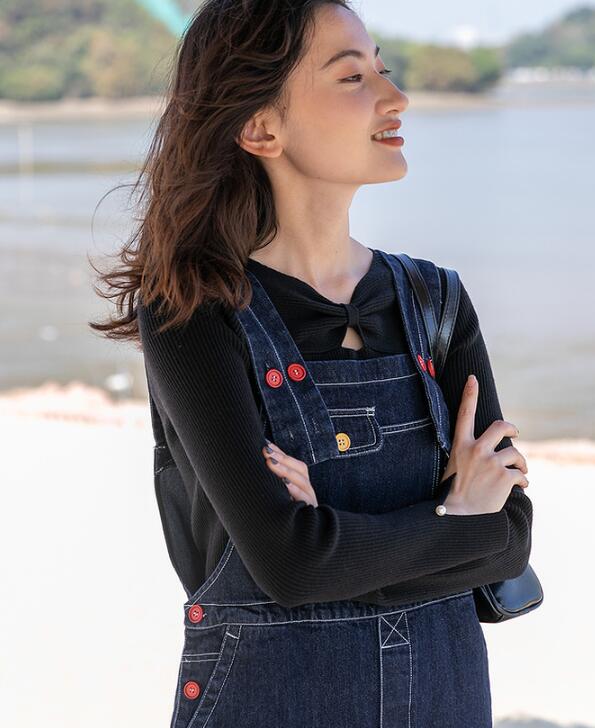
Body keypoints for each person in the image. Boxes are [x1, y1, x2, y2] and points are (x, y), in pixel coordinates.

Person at [89, 1, 533, 726]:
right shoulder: (192, 313)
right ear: (261, 128)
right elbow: (290, 566)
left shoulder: (436, 299)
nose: (396, 97)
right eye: (353, 77)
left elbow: (510, 538)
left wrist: (334, 539)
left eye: (382, 69)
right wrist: (456, 514)